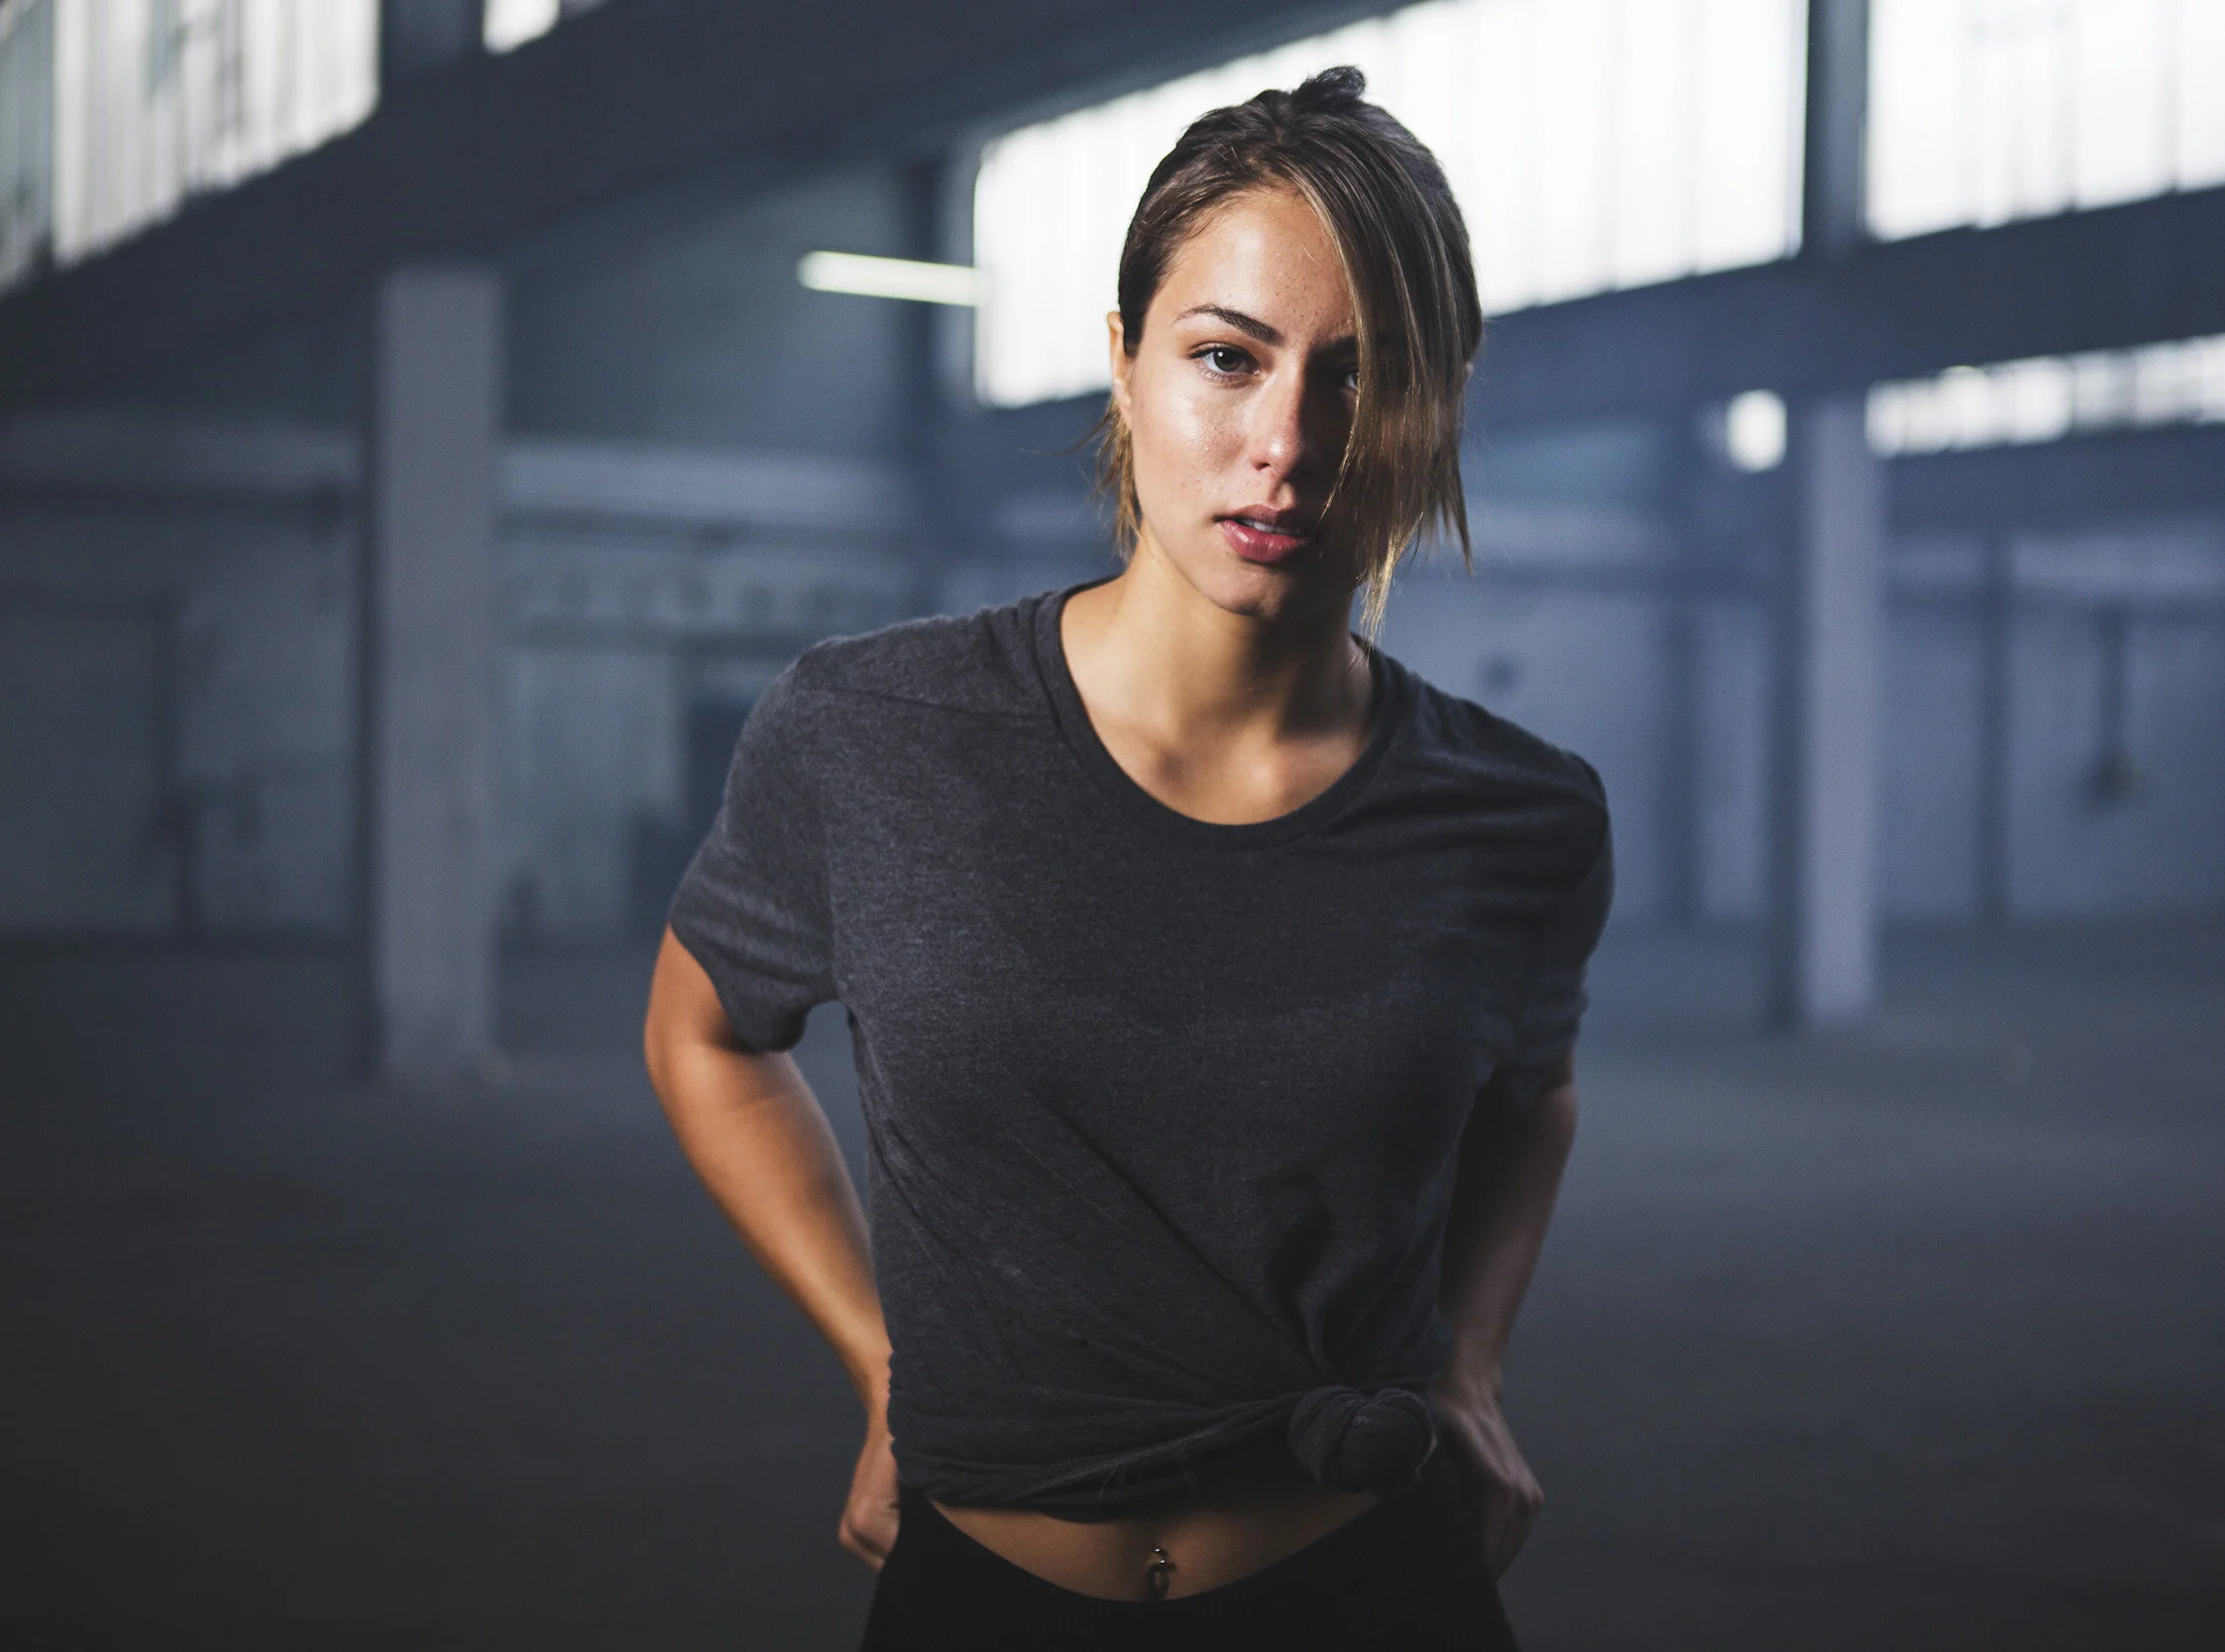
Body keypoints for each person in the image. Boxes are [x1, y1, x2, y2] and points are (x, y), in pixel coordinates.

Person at [642, 66, 1612, 1651]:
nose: (1285, 442)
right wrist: (882, 1357)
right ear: (1123, 365)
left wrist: (1473, 1358)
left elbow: (1536, 1086)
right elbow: (701, 1031)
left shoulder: (1522, 817)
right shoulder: (873, 730)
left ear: (1439, 404)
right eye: (1226, 359)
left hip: (1370, 1590)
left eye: (1362, 378)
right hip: (986, 1598)